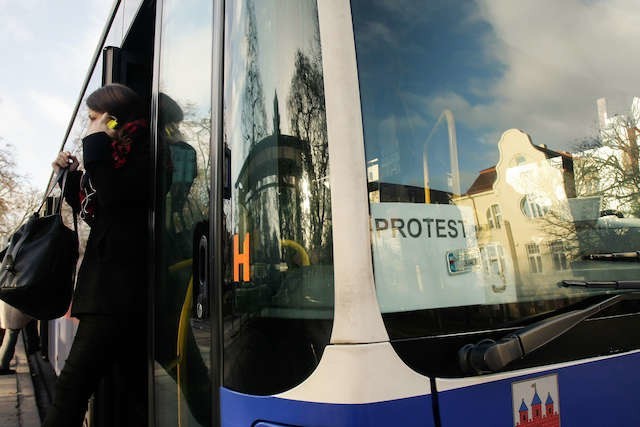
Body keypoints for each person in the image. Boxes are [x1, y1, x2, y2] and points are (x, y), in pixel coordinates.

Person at [43, 83, 150, 427]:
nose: (89, 126)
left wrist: (94, 141)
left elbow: (114, 200)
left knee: (71, 390)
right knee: (129, 394)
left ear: (111, 117)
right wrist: (68, 176)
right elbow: (97, 210)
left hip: (115, 293)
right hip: (111, 293)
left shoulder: (141, 147)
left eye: (93, 118)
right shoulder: (117, 150)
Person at [0, 300, 32, 374]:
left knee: (10, 334)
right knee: (11, 334)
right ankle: (2, 365)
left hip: (9, 306)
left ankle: (3, 364)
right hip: (12, 307)